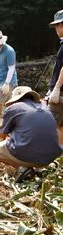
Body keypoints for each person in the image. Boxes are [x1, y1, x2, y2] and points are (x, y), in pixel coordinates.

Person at [0, 86, 62, 181]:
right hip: (49, 158)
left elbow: (2, 136)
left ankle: (23, 169)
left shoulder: (14, 107)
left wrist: (1, 132)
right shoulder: (45, 108)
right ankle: (38, 169)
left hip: (27, 155)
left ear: (16, 99)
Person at [45, 9, 63, 144]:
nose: (56, 29)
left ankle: (52, 157)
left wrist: (56, 88)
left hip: (61, 94)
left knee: (50, 125)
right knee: (60, 126)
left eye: (56, 26)